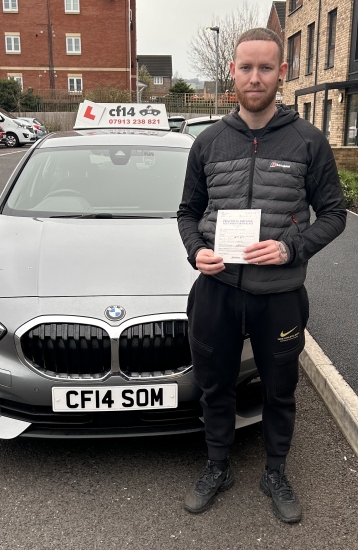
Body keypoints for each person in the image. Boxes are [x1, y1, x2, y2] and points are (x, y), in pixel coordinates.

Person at [177, 28, 346, 523]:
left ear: (282, 73)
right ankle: (218, 465)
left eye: (266, 68)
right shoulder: (207, 142)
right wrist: (195, 251)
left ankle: (275, 471)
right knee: (216, 387)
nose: (256, 77)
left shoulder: (308, 142)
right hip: (218, 291)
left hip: (279, 296)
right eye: (246, 67)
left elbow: (334, 214)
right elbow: (187, 212)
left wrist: (290, 247)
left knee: (279, 388)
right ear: (232, 71)